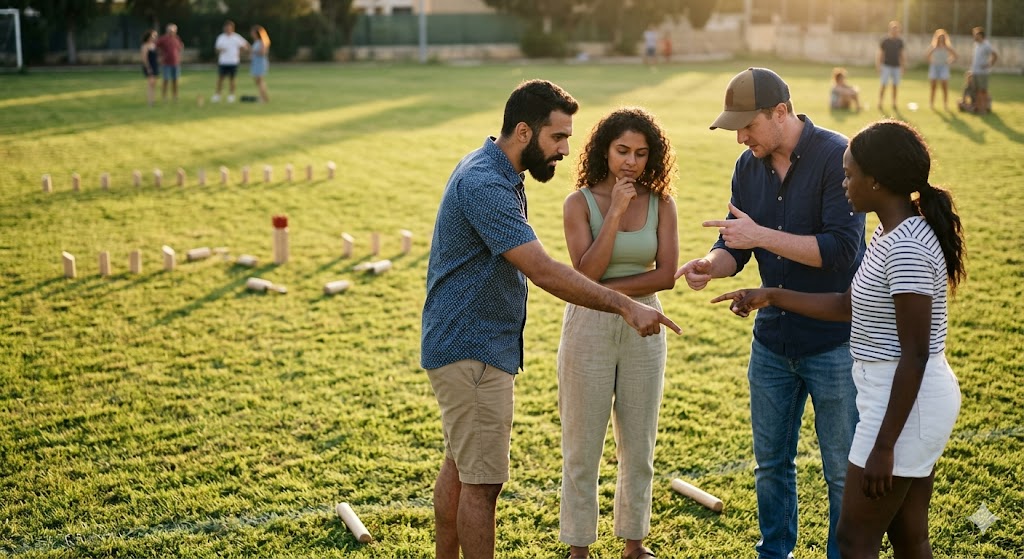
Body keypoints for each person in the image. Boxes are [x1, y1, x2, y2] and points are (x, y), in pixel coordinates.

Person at [421, 79, 680, 559]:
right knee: (482, 484)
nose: (565, 149)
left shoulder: (494, 171)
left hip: (469, 343)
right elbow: (544, 270)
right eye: (557, 137)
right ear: (524, 131)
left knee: (460, 467)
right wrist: (625, 303)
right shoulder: (485, 183)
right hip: (472, 347)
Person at [711, 119, 965, 559]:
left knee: (853, 541)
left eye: (849, 174)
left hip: (905, 406)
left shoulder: (906, 245)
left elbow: (917, 353)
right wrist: (769, 295)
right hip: (897, 400)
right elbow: (849, 305)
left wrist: (884, 446)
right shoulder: (890, 233)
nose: (843, 183)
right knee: (908, 538)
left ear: (877, 180)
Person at [675, 67, 866, 559]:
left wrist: (760, 237)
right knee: (771, 465)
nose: (740, 137)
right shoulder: (748, 165)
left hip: (834, 345)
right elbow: (734, 243)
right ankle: (773, 552)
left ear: (780, 113)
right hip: (772, 346)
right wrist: (710, 265)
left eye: (747, 126)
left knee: (843, 471)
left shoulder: (836, 156)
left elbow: (842, 251)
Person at [558, 107, 678, 559]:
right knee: (582, 444)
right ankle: (579, 548)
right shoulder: (578, 203)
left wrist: (607, 292)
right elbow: (584, 272)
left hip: (645, 323)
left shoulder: (663, 203)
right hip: (588, 326)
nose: (631, 161)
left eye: (641, 153)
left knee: (639, 440)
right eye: (622, 150)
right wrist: (616, 212)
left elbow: (665, 275)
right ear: (604, 150)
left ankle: (634, 543)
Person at [212, 20, 249, 103]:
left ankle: (231, 95)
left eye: (229, 28)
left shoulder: (236, 37)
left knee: (232, 79)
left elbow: (246, 46)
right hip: (223, 62)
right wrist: (220, 50)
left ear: (232, 28)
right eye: (226, 27)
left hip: (233, 62)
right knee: (220, 79)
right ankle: (217, 95)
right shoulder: (221, 37)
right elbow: (216, 49)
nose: (228, 29)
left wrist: (241, 52)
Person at [876, 21, 905, 110]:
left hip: (896, 66)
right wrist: (878, 65)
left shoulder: (900, 41)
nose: (895, 31)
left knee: (895, 85)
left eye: (896, 30)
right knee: (884, 84)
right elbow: (881, 54)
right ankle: (880, 102)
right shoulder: (885, 41)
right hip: (886, 66)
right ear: (890, 30)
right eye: (893, 30)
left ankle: (894, 103)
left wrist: (903, 66)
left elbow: (901, 54)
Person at [969, 27, 998, 114]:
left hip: (982, 73)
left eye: (976, 35)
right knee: (977, 91)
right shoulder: (976, 45)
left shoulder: (986, 45)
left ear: (980, 36)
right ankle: (978, 108)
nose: (974, 37)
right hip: (975, 72)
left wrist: (989, 65)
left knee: (983, 91)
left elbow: (995, 55)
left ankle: (984, 109)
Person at [925, 29, 957, 110]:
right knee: (933, 86)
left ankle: (945, 104)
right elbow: (927, 55)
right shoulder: (934, 47)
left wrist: (949, 61)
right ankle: (931, 103)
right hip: (934, 67)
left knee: (944, 86)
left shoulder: (947, 47)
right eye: (939, 37)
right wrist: (931, 61)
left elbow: (955, 55)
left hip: (944, 67)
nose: (941, 39)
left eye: (943, 37)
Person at [155, 23, 184, 102]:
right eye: (170, 30)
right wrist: (159, 56)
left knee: (175, 80)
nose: (172, 31)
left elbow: (180, 47)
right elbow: (155, 47)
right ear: (167, 30)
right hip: (166, 63)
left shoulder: (177, 38)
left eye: (174, 30)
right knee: (166, 80)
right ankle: (164, 97)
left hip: (176, 63)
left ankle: (175, 97)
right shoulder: (163, 39)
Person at [250, 25, 270, 103]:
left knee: (260, 81)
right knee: (257, 81)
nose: (251, 34)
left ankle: (263, 98)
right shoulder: (256, 42)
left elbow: (263, 52)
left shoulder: (263, 42)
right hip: (255, 63)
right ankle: (263, 97)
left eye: (253, 32)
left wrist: (252, 51)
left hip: (260, 63)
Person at [140, 30, 159, 107]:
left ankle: (153, 100)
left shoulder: (154, 45)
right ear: (149, 36)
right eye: (153, 36)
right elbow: (144, 58)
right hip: (149, 66)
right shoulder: (145, 46)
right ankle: (150, 102)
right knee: (150, 84)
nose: (154, 37)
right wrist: (148, 68)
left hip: (155, 66)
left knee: (154, 84)